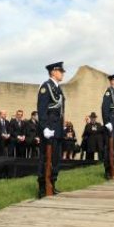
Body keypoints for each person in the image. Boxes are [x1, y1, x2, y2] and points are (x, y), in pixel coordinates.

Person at [37, 61, 66, 197]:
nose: (62, 73)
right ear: (53, 72)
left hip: (58, 127)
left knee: (55, 158)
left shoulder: (58, 88)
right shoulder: (46, 87)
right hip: (49, 127)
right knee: (45, 158)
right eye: (60, 71)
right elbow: (42, 110)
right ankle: (43, 188)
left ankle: (52, 184)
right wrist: (44, 128)